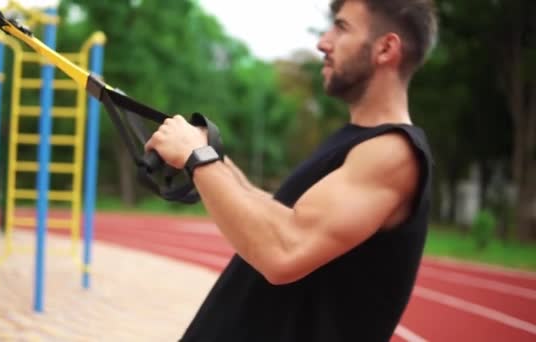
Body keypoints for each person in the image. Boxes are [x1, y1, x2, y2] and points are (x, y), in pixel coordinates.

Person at [145, 0, 438, 340]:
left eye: (341, 28)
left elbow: (285, 250)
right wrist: (208, 156)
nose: (322, 42)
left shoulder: (394, 152)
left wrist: (197, 157)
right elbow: (279, 215)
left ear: (386, 48)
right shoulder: (357, 142)